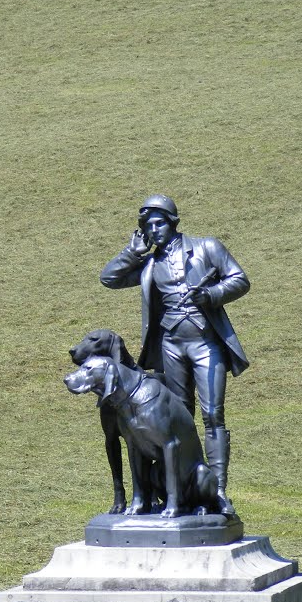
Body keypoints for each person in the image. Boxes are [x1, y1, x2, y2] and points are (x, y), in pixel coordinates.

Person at [99, 194, 250, 515]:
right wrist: (132, 252)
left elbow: (240, 280)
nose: (154, 230)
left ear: (173, 223)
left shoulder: (207, 248)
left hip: (205, 343)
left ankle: (218, 491)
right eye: (147, 226)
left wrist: (210, 294)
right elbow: (109, 278)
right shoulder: (149, 264)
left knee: (212, 415)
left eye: (159, 223)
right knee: (180, 419)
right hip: (170, 345)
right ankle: (177, 491)